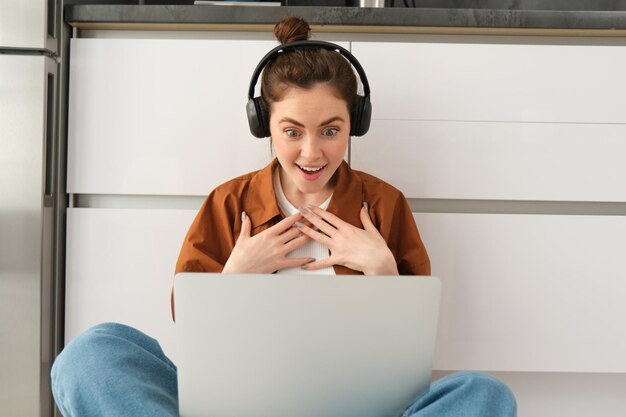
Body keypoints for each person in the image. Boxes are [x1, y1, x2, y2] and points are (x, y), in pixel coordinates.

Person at [51, 17, 516, 417]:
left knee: (484, 393)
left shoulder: (384, 204)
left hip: (357, 407)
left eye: (331, 130)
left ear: (355, 123)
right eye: (291, 131)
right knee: (93, 353)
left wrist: (383, 271)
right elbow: (192, 329)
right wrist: (236, 275)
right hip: (238, 407)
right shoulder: (229, 202)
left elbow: (412, 343)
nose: (312, 153)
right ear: (263, 125)